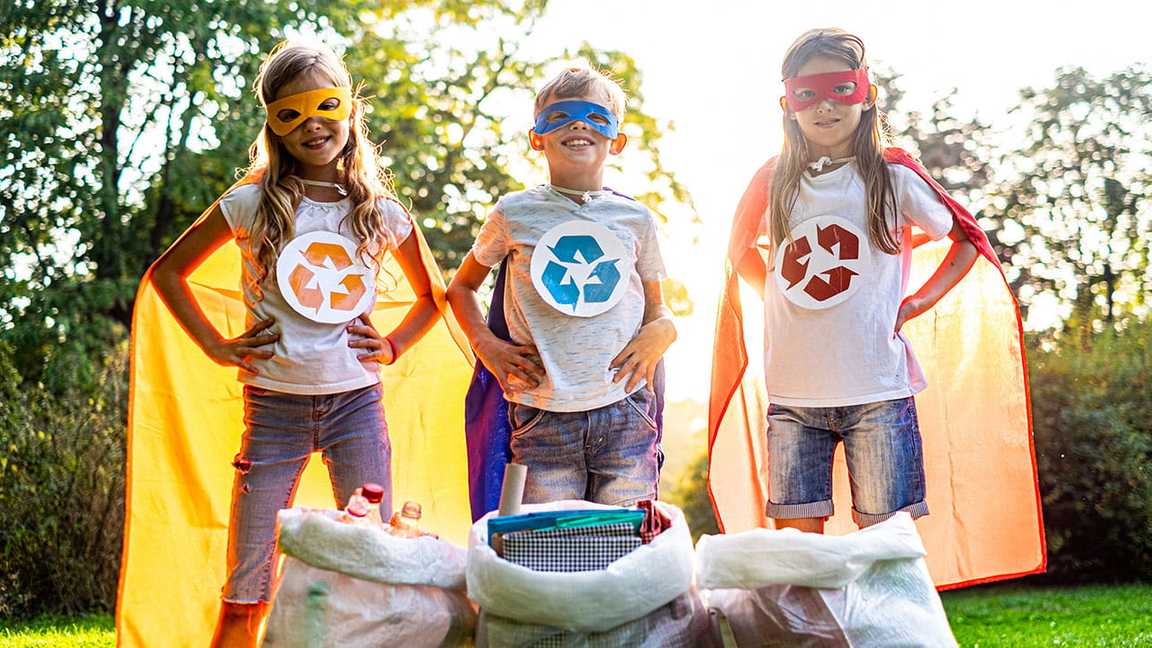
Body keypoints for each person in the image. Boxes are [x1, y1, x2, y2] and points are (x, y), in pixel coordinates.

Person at [149, 41, 441, 647]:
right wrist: (216, 346)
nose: (312, 124)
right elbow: (167, 274)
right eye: (292, 113)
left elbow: (433, 297)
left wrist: (391, 347)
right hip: (273, 409)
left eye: (326, 106)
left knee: (371, 562)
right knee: (247, 578)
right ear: (274, 126)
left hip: (356, 407)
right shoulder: (253, 203)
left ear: (350, 113)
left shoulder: (378, 212)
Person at [729, 28, 980, 533]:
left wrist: (916, 302)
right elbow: (739, 253)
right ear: (788, 103)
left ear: (867, 96)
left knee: (889, 546)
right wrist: (781, 295)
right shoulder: (772, 181)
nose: (825, 105)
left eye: (840, 88)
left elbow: (967, 240)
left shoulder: (893, 177)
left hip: (878, 391)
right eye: (808, 92)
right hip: (794, 396)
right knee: (801, 555)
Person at [447, 67, 676, 507]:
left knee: (626, 544)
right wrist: (485, 345)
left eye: (595, 117)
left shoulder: (636, 220)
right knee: (550, 551)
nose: (578, 125)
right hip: (542, 414)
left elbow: (657, 310)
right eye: (561, 116)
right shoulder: (514, 213)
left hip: (625, 408)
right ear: (537, 137)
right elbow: (461, 288)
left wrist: (664, 330)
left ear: (617, 140)